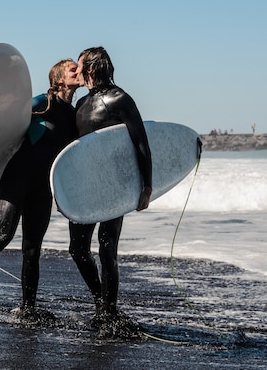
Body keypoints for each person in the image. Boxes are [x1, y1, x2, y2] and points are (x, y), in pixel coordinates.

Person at [0, 59, 81, 320]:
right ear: (58, 78)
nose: (79, 71)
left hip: (43, 186)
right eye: (72, 69)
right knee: (3, 236)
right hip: (17, 177)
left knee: (33, 249)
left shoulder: (74, 115)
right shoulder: (42, 103)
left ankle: (28, 308)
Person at [68, 46, 152, 325]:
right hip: (85, 185)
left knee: (107, 248)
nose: (76, 71)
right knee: (77, 250)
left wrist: (147, 185)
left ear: (91, 68)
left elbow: (141, 142)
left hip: (114, 184)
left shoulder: (119, 99)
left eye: (79, 66)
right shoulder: (81, 105)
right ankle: (101, 301)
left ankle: (109, 312)